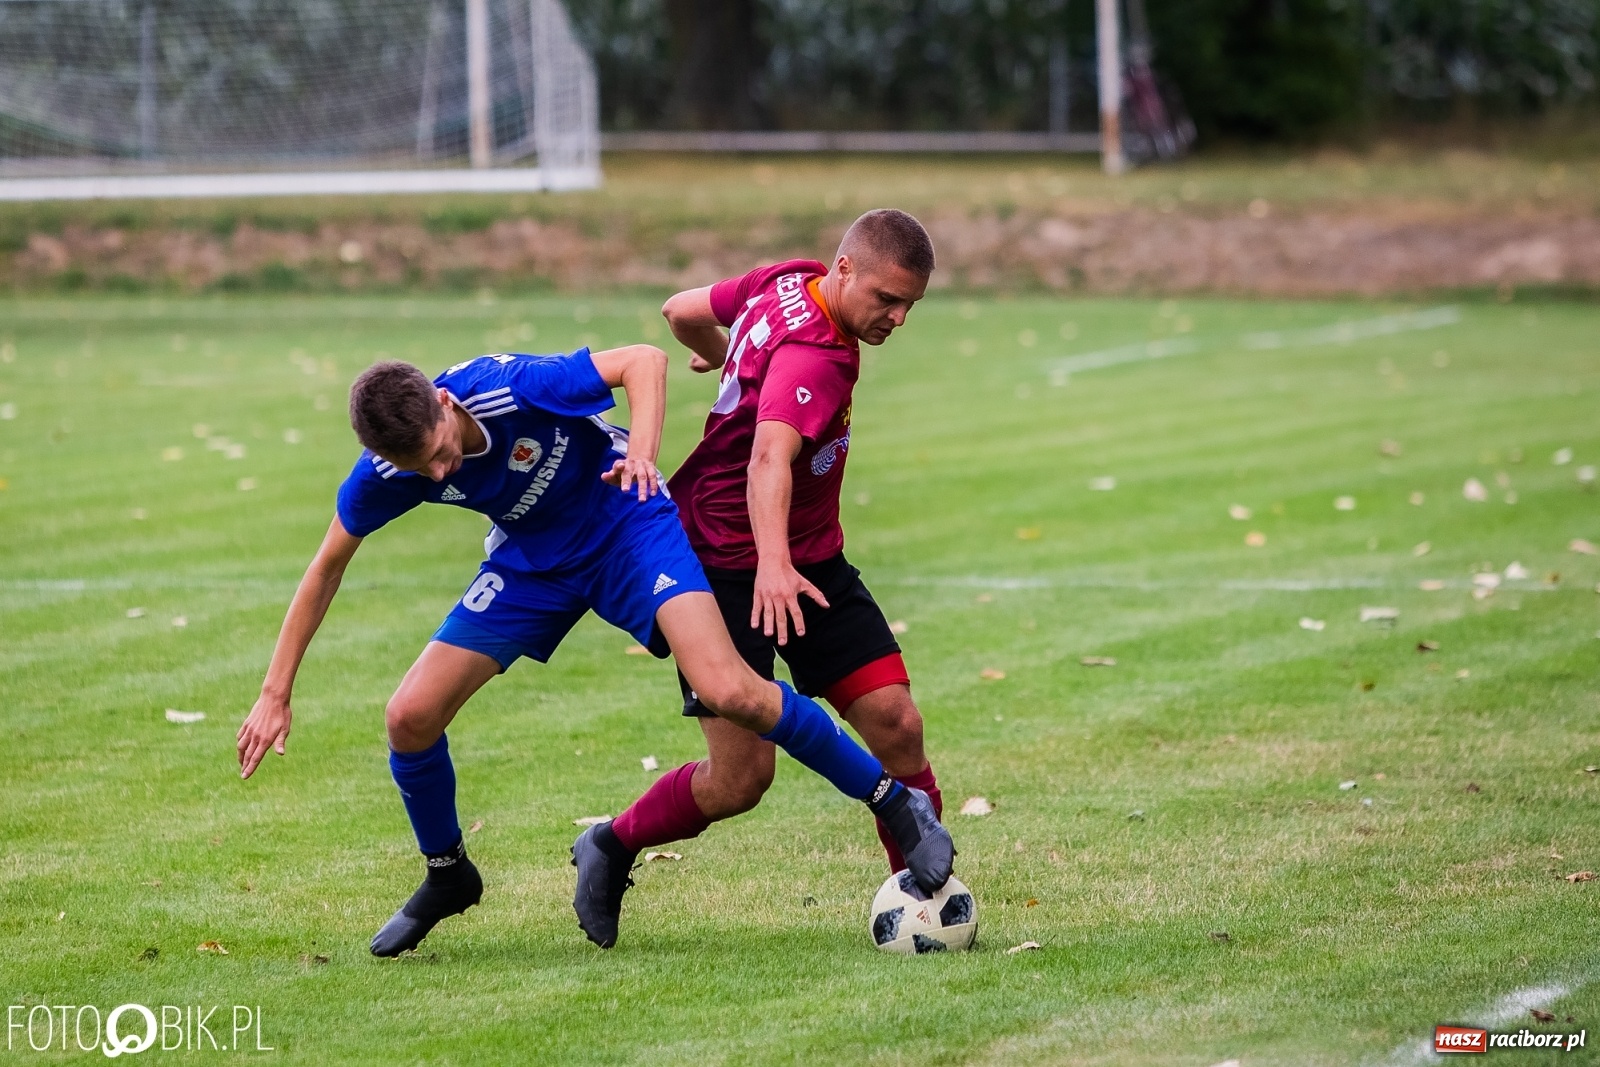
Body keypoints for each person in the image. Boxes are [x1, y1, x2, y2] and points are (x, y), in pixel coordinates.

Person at [234, 343, 952, 956]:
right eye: (423, 472)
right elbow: (327, 564)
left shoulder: (510, 388)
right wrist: (275, 690)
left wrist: (640, 457)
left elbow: (643, 361)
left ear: (447, 403)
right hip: (535, 564)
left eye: (441, 454)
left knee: (729, 686)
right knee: (409, 716)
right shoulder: (391, 470)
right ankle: (449, 872)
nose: (442, 476)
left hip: (628, 525)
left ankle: (892, 800)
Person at [574, 209, 947, 945]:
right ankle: (611, 842)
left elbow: (680, 310)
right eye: (886, 299)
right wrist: (772, 562)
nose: (898, 318)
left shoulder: (789, 279)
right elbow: (768, 457)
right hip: (719, 564)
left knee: (897, 724)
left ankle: (927, 895)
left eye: (910, 305)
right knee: (741, 779)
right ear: (845, 271)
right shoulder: (820, 355)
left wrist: (724, 358)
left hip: (810, 557)